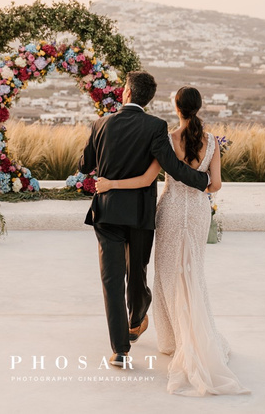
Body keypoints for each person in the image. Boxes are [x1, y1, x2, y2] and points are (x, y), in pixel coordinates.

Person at [95, 86, 251, 397]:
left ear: (176, 107)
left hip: (169, 210)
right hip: (196, 212)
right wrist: (199, 182)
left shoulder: (167, 139)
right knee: (194, 274)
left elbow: (145, 179)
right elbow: (215, 185)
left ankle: (174, 341)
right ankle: (199, 337)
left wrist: (110, 183)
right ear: (198, 107)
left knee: (166, 276)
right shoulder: (212, 142)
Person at [78, 72, 211, 369]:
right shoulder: (155, 126)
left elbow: (84, 164)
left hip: (107, 212)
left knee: (112, 279)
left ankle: (120, 350)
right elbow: (172, 167)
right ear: (147, 98)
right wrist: (202, 181)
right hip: (139, 214)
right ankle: (137, 318)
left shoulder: (100, 124)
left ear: (126, 92)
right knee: (137, 271)